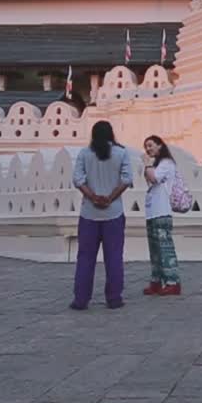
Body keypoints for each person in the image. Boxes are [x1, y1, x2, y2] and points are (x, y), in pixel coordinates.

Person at [70, 121, 132, 310]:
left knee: (85, 258)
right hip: (113, 213)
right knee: (114, 257)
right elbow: (127, 179)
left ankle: (81, 299)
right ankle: (114, 298)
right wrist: (110, 198)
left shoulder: (85, 154)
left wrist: (93, 197)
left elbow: (78, 179)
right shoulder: (121, 153)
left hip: (89, 214)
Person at [142, 135, 182, 296]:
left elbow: (154, 178)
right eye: (146, 146)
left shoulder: (166, 163)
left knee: (165, 249)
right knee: (155, 250)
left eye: (151, 145)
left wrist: (146, 164)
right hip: (153, 212)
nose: (148, 149)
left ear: (160, 145)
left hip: (162, 212)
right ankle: (156, 280)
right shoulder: (157, 164)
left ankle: (173, 282)